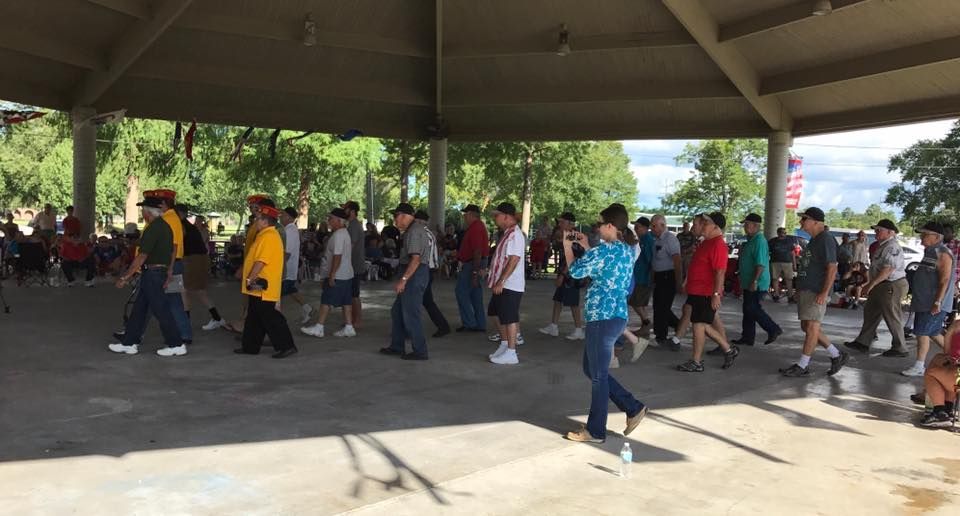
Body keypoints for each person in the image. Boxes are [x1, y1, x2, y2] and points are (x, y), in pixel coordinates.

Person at [563, 203, 648, 443]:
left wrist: (567, 246)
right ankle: (632, 407)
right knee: (591, 369)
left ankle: (596, 431)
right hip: (616, 316)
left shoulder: (604, 251)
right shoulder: (626, 251)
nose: (597, 227)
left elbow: (576, 272)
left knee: (598, 375)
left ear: (610, 225)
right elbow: (601, 268)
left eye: (600, 223)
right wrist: (586, 246)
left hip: (601, 317)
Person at [108, 196, 184, 357]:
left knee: (161, 310)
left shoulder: (153, 228)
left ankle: (176, 344)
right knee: (140, 309)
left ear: (148, 212)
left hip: (153, 273)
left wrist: (125, 277)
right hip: (157, 272)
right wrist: (169, 270)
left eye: (142, 209)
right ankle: (129, 342)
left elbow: (142, 256)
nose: (142, 212)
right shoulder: (165, 226)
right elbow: (173, 249)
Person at [779, 207, 849, 377]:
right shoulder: (814, 240)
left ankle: (803, 365)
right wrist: (799, 288)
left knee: (811, 327)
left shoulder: (825, 239)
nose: (801, 222)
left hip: (816, 290)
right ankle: (836, 354)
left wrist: (824, 292)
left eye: (805, 219)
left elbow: (832, 267)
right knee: (806, 326)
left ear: (816, 222)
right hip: (807, 289)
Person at [675, 212, 740, 372]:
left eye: (706, 223)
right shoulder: (706, 242)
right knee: (700, 325)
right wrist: (687, 282)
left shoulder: (718, 244)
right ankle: (726, 350)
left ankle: (698, 360)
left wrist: (716, 294)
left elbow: (720, 272)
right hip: (697, 291)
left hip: (705, 292)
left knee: (699, 325)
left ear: (715, 227)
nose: (703, 226)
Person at [234, 205, 297, 358]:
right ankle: (250, 346)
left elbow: (261, 261)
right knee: (254, 317)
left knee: (271, 317)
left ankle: (287, 345)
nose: (255, 221)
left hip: (263, 285)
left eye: (257, 219)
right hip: (259, 286)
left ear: (265, 221)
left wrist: (250, 278)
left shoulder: (269, 237)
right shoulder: (264, 235)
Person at [844, 219, 909, 357]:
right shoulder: (883, 245)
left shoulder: (892, 247)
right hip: (881, 284)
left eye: (879, 230)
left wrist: (870, 285)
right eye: (876, 230)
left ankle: (900, 347)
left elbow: (888, 269)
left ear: (890, 232)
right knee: (871, 312)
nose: (876, 232)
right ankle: (863, 342)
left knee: (892, 315)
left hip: (891, 284)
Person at [901, 222, 955, 377]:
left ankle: (919, 365)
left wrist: (937, 302)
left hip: (932, 303)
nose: (921, 237)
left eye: (925, 234)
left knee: (922, 332)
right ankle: (955, 357)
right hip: (924, 301)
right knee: (933, 332)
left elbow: (944, 280)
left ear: (937, 237)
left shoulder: (943, 253)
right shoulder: (930, 252)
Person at [379, 203, 432, 360]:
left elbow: (415, 259)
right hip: (413, 273)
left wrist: (403, 280)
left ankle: (420, 351)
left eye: (396, 216)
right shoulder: (412, 230)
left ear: (404, 216)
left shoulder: (414, 232)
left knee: (411, 314)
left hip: (414, 274)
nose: (395, 220)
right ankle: (397, 346)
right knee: (397, 311)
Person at [301, 207, 356, 338]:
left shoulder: (339, 235)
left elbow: (337, 256)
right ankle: (349, 327)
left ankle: (319, 327)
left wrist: (332, 274)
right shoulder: (344, 233)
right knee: (346, 301)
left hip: (338, 275)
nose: (328, 221)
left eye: (330, 218)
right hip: (346, 274)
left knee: (326, 300)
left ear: (339, 221)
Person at [486, 202, 526, 365]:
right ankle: (504, 344)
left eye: (497, 215)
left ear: (506, 216)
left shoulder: (515, 234)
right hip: (503, 283)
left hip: (510, 284)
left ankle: (511, 352)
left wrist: (501, 280)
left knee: (509, 318)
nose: (495, 218)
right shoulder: (508, 233)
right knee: (494, 312)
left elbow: (514, 259)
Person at [153, 189, 193, 347]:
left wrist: (169, 268)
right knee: (173, 300)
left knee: (173, 300)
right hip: (172, 262)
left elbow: (173, 246)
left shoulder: (169, 219)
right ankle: (184, 333)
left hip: (170, 263)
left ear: (164, 203)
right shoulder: (171, 217)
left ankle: (183, 333)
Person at [734, 213, 782, 346]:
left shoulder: (759, 241)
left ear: (755, 226)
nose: (745, 227)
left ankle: (773, 328)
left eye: (747, 224)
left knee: (752, 308)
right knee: (747, 309)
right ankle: (747, 337)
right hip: (748, 281)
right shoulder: (751, 240)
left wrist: (754, 281)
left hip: (757, 282)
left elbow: (760, 264)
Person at [175, 204, 224, 332]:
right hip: (201, 258)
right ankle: (217, 318)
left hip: (190, 259)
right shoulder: (191, 227)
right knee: (199, 291)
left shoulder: (181, 226)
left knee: (183, 290)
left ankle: (185, 324)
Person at [539, 212, 586, 341]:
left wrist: (563, 275)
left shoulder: (574, 237)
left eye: (562, 222)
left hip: (572, 275)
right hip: (566, 273)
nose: (559, 224)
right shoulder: (567, 236)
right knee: (558, 300)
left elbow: (573, 258)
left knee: (573, 302)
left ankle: (578, 329)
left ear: (570, 223)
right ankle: (553, 326)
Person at [413, 210, 450, 337]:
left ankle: (442, 326)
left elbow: (418, 256)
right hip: (428, 271)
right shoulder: (429, 234)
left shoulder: (422, 234)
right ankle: (443, 326)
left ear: (418, 221)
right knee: (426, 302)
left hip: (424, 271)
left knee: (418, 302)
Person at [454, 204, 489, 333]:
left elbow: (477, 251)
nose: (464, 216)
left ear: (471, 214)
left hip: (472, 264)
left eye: (465, 214)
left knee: (461, 292)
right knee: (475, 294)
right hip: (475, 262)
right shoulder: (477, 226)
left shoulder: (476, 227)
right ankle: (480, 323)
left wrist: (474, 272)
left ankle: (469, 322)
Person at [920, 320, 960, 427]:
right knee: (941, 363)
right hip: (956, 379)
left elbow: (947, 352)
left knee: (931, 373)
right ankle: (947, 408)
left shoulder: (956, 325)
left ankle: (940, 411)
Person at [650, 214, 682, 346]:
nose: (652, 228)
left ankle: (661, 336)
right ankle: (679, 326)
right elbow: (655, 260)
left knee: (662, 307)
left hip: (668, 276)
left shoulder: (670, 239)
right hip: (659, 277)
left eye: (654, 226)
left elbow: (677, 261)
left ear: (663, 225)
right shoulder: (656, 240)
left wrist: (679, 282)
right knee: (659, 306)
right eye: (652, 226)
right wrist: (653, 278)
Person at [278, 207, 311, 323]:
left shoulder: (290, 231)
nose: (280, 217)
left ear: (289, 217)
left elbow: (286, 253)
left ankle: (276, 319)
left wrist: (279, 269)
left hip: (286, 270)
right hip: (287, 270)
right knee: (291, 290)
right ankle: (307, 308)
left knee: (276, 295)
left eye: (282, 215)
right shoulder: (288, 230)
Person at [343, 200, 366, 329]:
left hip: (355, 265)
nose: (344, 211)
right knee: (351, 294)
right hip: (351, 264)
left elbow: (351, 245)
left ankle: (357, 320)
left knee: (354, 294)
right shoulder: (351, 225)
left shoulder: (354, 226)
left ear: (352, 211)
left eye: (345, 209)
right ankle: (351, 319)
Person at [629, 216, 654, 328]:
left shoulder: (647, 240)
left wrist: (650, 278)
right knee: (639, 303)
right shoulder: (642, 240)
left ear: (645, 228)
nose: (635, 229)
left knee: (635, 302)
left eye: (637, 227)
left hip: (643, 278)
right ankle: (645, 325)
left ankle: (646, 322)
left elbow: (651, 260)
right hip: (639, 276)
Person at [769, 227, 797, 303]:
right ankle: (776, 295)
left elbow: (793, 253)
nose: (784, 234)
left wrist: (794, 264)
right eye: (782, 232)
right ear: (778, 233)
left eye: (785, 232)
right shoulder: (772, 241)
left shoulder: (789, 241)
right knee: (775, 279)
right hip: (775, 262)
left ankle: (790, 296)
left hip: (787, 263)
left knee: (789, 279)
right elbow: (767, 251)